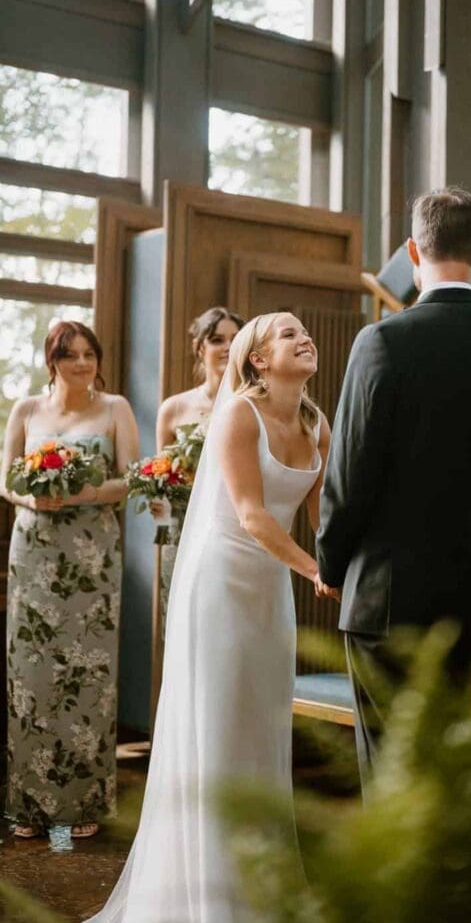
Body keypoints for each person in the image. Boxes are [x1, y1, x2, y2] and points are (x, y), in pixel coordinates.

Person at [87, 312, 330, 923]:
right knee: (217, 727)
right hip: (220, 584)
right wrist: (314, 571)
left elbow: (322, 517)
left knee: (263, 725)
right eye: (287, 334)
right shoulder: (236, 416)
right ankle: (205, 897)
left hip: (270, 590)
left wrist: (345, 562)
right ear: (256, 360)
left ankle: (260, 887)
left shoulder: (316, 422)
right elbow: (251, 515)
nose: (305, 339)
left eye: (306, 332)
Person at [316, 186, 471, 786]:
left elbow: (350, 473)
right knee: (466, 773)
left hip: (389, 600)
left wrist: (331, 562)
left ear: (413, 251)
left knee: (392, 773)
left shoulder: (383, 342)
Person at [1, 321, 139, 839]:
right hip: (34, 550)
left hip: (92, 557)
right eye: (70, 355)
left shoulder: (115, 409)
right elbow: (4, 477)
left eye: (90, 354)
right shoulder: (27, 410)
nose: (82, 363)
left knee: (90, 674)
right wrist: (30, 497)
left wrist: (81, 494)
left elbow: (129, 478)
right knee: (31, 675)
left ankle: (82, 805)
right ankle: (29, 805)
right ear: (51, 360)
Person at [153, 307, 244, 630]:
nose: (228, 347)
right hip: (182, 531)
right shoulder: (174, 408)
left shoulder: (252, 405)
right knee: (183, 624)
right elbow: (159, 478)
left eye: (235, 339)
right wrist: (161, 525)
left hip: (234, 527)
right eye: (217, 339)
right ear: (200, 348)